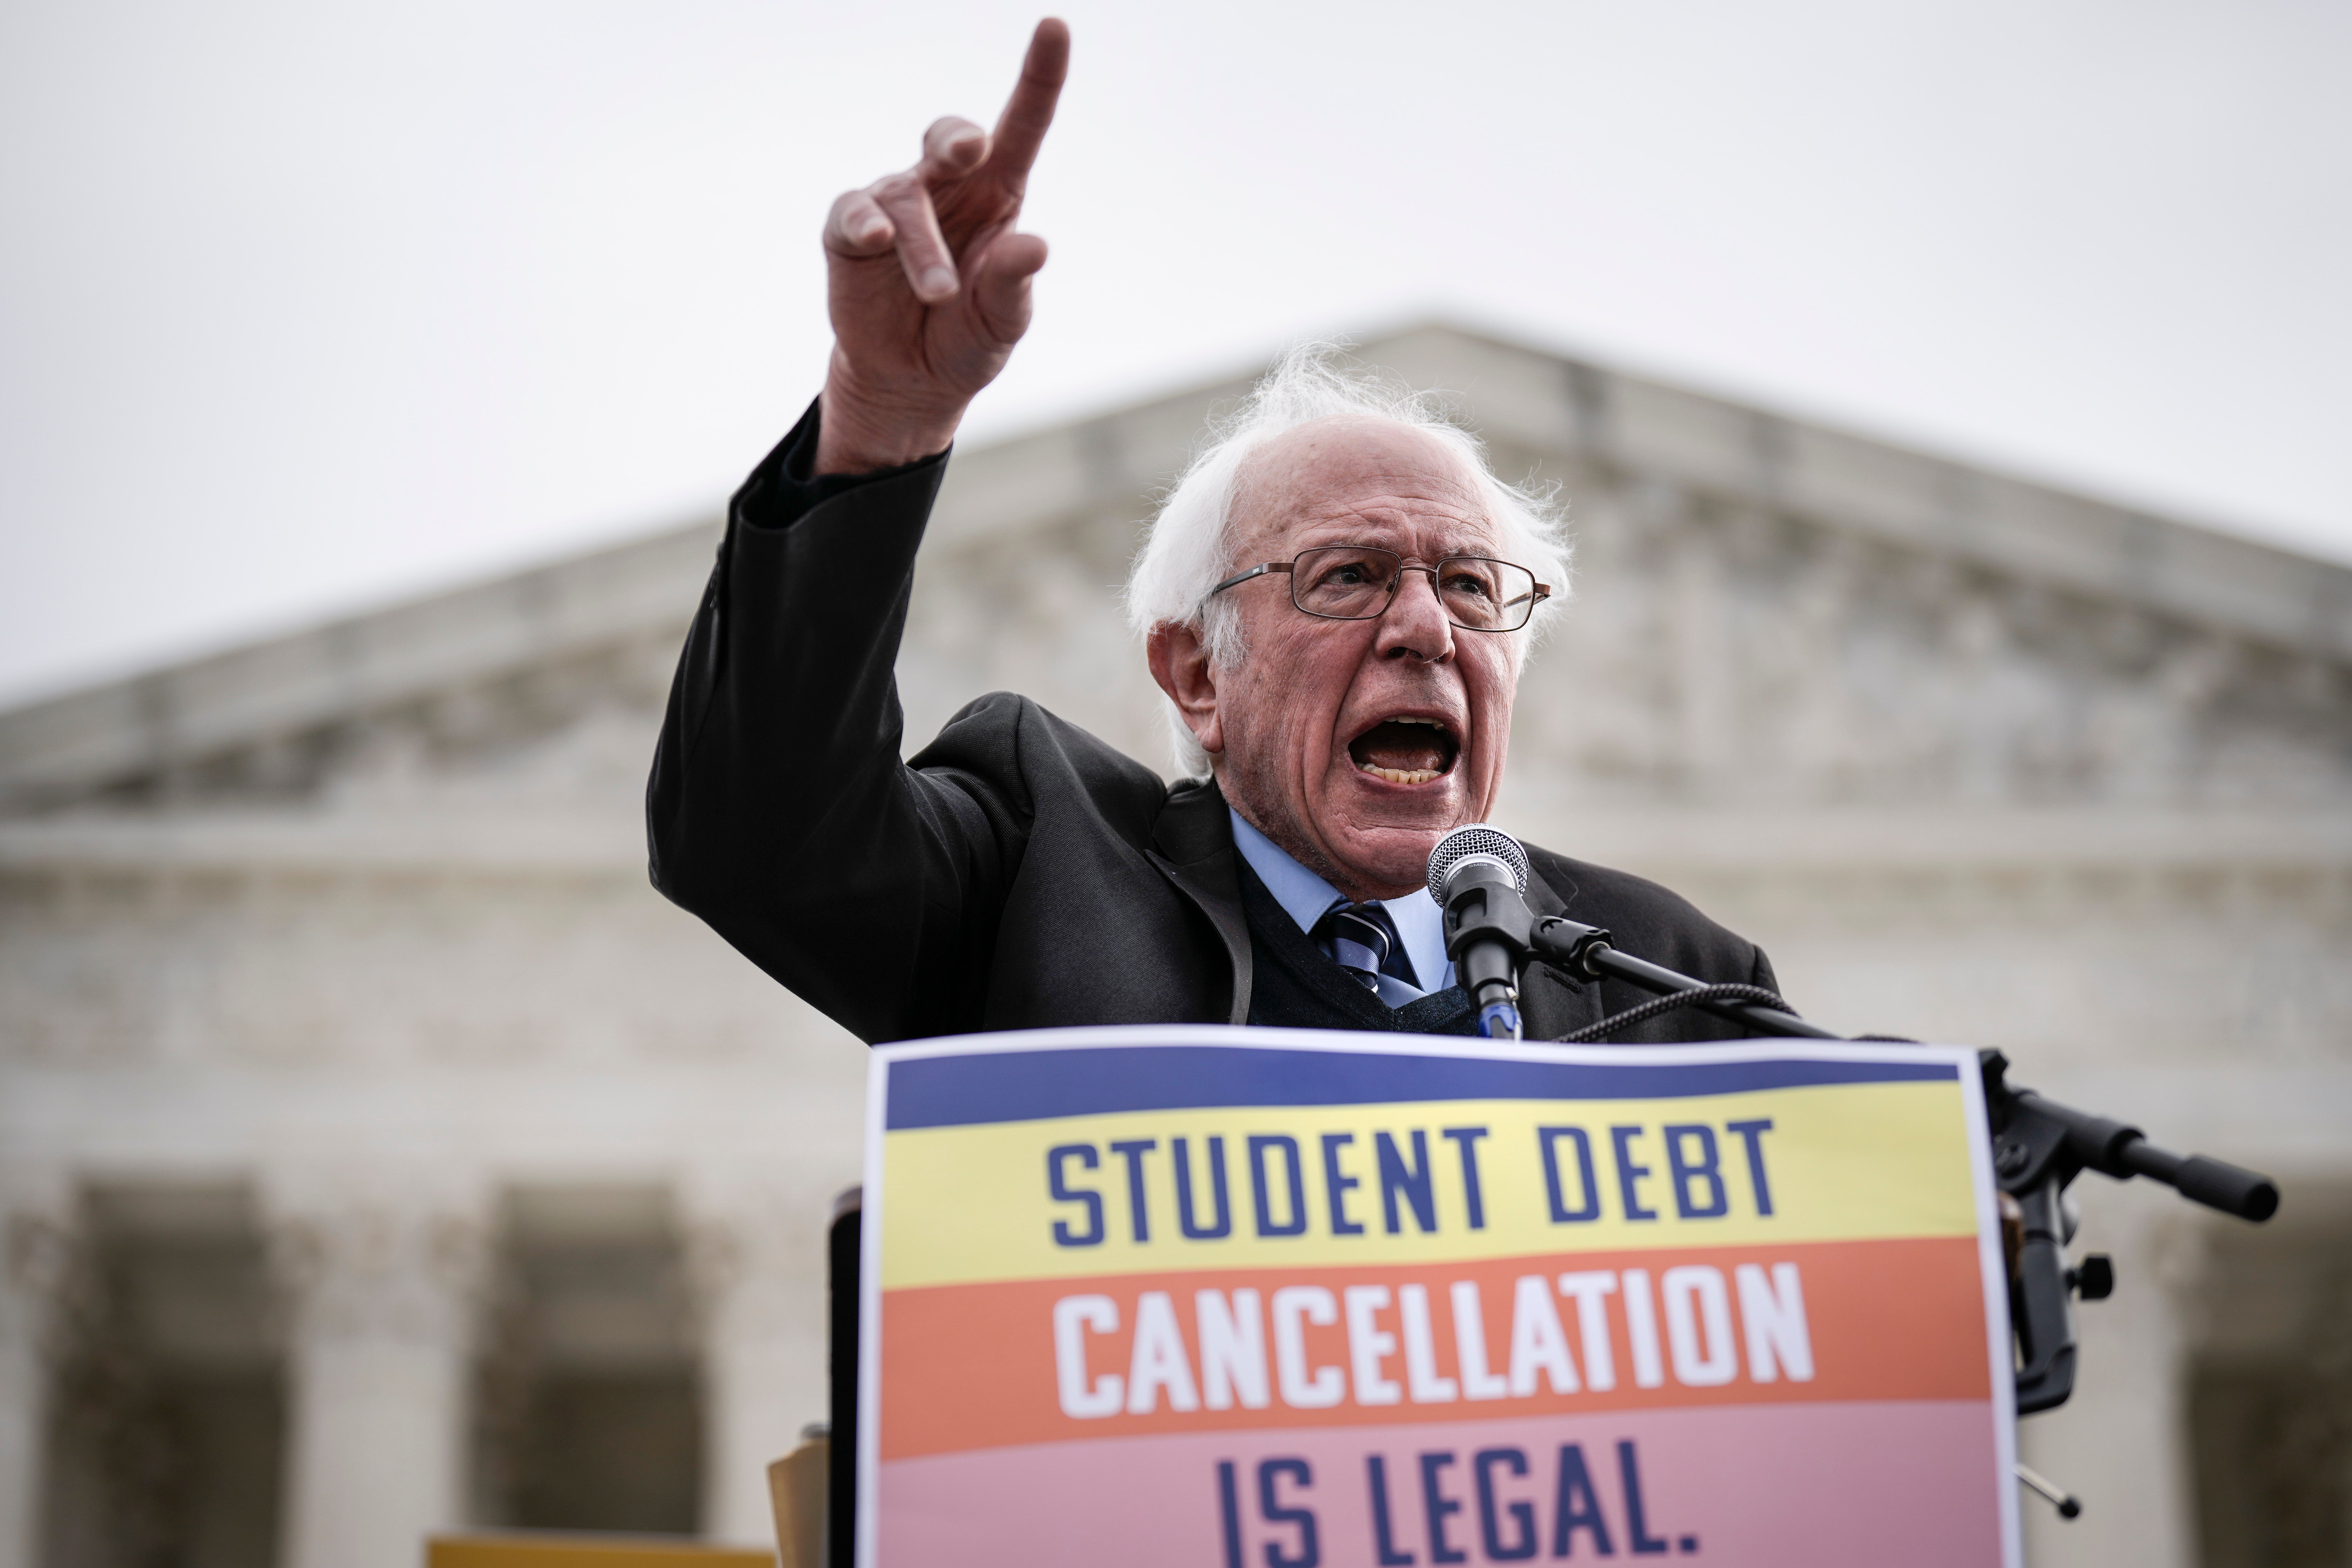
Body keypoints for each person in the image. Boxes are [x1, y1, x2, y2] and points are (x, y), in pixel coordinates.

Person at [645, 18, 1781, 1044]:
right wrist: (881, 422)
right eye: (1350, 576)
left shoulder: (1680, 987)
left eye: (1473, 589)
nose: (1426, 629)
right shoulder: (1038, 876)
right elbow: (760, 842)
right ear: (1195, 671)